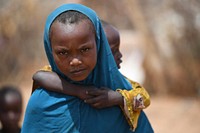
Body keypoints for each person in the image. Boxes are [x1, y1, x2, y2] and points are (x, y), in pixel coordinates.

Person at [22, 3, 153, 133]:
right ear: (50, 51)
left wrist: (118, 98)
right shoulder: (42, 103)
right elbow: (39, 76)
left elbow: (144, 101)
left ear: (99, 45)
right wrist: (78, 90)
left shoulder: (121, 94)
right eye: (63, 53)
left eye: (85, 49)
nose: (75, 61)